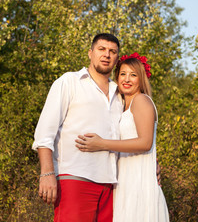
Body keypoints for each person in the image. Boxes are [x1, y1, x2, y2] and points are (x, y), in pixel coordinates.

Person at [32, 33, 123, 222]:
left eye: (112, 51)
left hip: (112, 185)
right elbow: (44, 133)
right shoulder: (69, 81)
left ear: (116, 59)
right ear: (90, 53)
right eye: (101, 49)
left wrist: (150, 164)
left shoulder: (120, 93)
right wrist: (47, 174)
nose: (106, 54)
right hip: (75, 178)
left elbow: (132, 135)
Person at [75, 53, 170, 222]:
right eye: (123, 74)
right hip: (124, 182)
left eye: (133, 75)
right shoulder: (121, 105)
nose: (127, 79)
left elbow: (145, 142)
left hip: (139, 183)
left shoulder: (141, 100)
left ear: (141, 79)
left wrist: (102, 143)